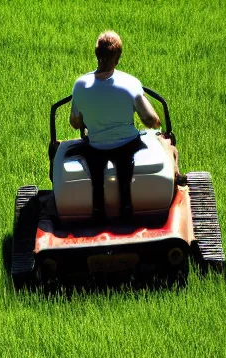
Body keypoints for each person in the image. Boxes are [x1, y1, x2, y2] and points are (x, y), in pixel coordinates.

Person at [70, 31, 161, 221]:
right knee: (166, 145)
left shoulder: (80, 85)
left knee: (93, 166)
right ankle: (127, 206)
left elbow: (75, 122)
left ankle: (98, 210)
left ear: (97, 55)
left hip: (95, 147)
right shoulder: (130, 83)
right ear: (117, 58)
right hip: (127, 144)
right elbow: (151, 119)